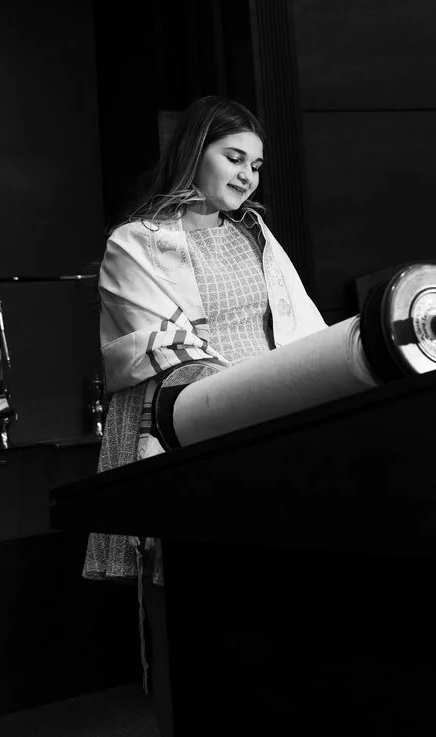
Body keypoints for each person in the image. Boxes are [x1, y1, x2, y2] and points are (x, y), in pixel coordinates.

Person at [82, 95, 327, 587]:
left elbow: (300, 324)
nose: (247, 176)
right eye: (234, 159)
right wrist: (243, 394)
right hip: (189, 415)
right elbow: (161, 342)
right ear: (195, 151)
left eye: (255, 166)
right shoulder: (135, 242)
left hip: (267, 415)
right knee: (192, 579)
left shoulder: (255, 233)